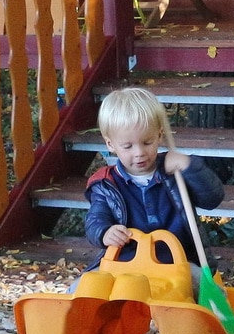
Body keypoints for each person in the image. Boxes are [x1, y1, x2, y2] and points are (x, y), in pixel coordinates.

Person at [83, 86, 223, 269]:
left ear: (159, 135)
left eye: (147, 142)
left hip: (177, 263)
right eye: (127, 146)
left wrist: (190, 167)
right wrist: (104, 232)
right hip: (126, 264)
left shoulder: (176, 171)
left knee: (199, 286)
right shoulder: (105, 183)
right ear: (110, 144)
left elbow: (213, 198)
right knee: (84, 287)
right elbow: (95, 219)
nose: (139, 152)